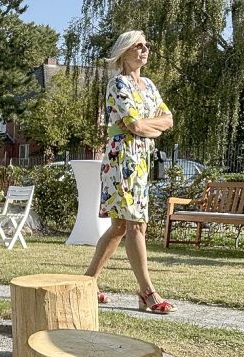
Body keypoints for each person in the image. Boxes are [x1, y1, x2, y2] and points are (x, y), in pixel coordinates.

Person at [84, 30, 176, 313]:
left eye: (146, 46)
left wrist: (146, 126)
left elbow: (168, 120)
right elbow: (134, 127)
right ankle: (147, 292)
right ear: (124, 51)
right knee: (135, 224)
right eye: (137, 46)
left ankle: (87, 283)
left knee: (120, 226)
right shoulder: (118, 83)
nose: (144, 50)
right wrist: (149, 127)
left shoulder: (148, 85)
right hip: (121, 158)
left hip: (141, 160)